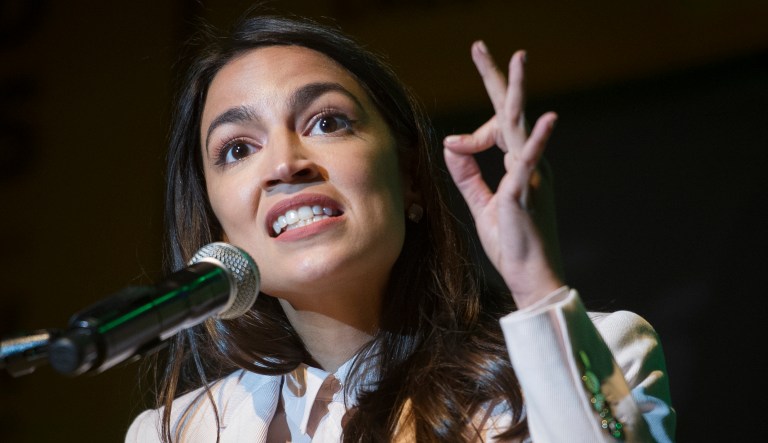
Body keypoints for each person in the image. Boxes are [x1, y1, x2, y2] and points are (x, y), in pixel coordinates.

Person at [126, 10, 675, 443]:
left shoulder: (597, 352)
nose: (284, 164)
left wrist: (535, 284)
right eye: (238, 148)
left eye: (327, 121)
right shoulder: (175, 433)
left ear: (411, 176)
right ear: (218, 227)